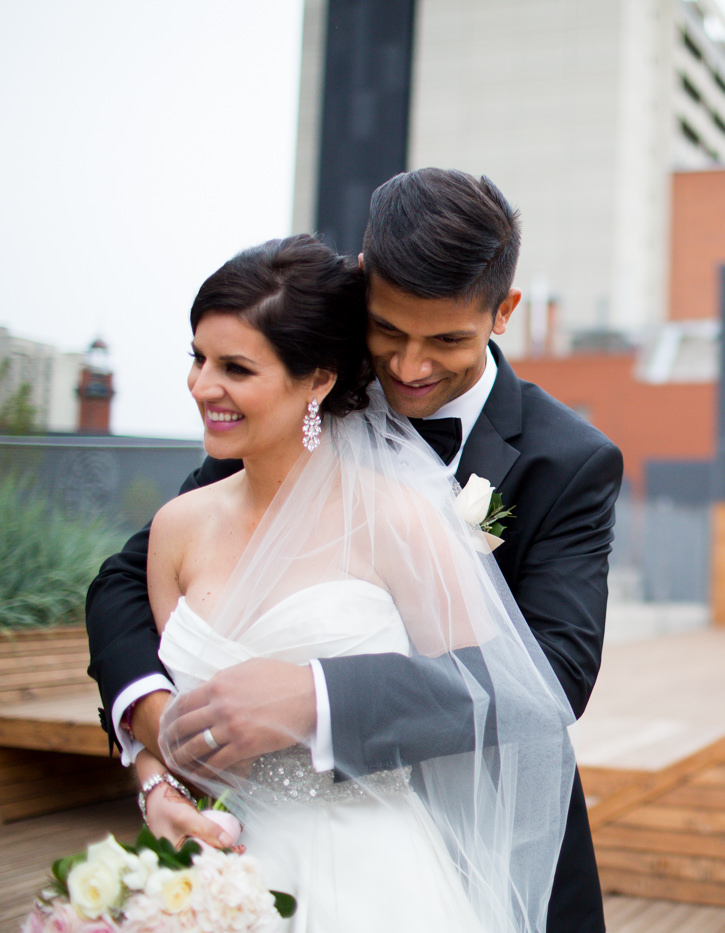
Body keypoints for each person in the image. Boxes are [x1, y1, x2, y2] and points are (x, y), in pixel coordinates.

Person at [87, 170, 622, 932]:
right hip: (260, 845)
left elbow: (553, 677)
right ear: (364, 282)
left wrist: (315, 696)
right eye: (389, 333)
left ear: (503, 312)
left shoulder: (569, 460)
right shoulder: (302, 394)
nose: (407, 367)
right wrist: (154, 730)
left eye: (447, 340)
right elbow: (127, 579)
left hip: (491, 841)